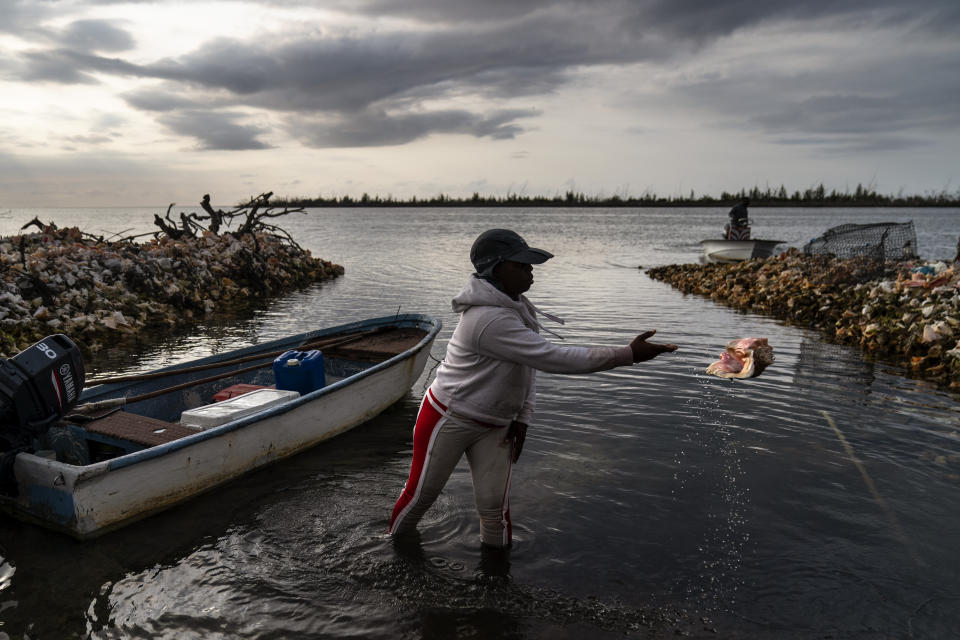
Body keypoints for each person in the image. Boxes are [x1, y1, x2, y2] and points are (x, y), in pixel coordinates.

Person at [388, 229, 678, 549]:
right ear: (497, 269)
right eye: (522, 266)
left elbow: (528, 367)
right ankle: (390, 552)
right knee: (420, 498)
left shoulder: (519, 310)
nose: (531, 272)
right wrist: (629, 355)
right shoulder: (487, 320)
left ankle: (495, 583)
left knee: (495, 511)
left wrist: (523, 416)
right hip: (449, 418)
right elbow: (554, 358)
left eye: (530, 266)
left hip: (497, 424)